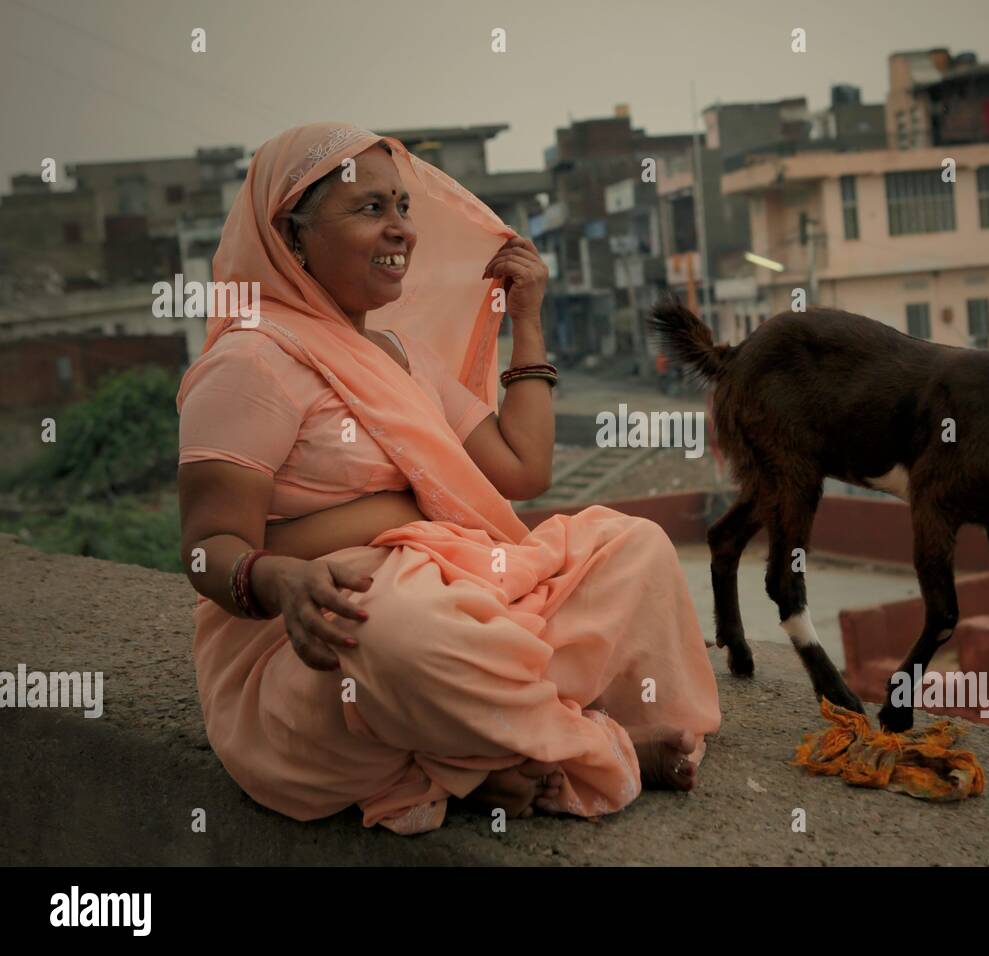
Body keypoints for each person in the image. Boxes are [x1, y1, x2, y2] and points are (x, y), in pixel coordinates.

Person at [176, 123, 721, 835]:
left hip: (449, 594)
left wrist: (526, 322)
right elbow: (207, 547)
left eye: (403, 207)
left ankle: (483, 750)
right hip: (320, 637)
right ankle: (590, 750)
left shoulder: (398, 355)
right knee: (402, 636)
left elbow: (522, 469)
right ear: (292, 234)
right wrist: (286, 580)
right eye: (370, 209)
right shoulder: (250, 362)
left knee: (634, 548)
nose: (401, 229)